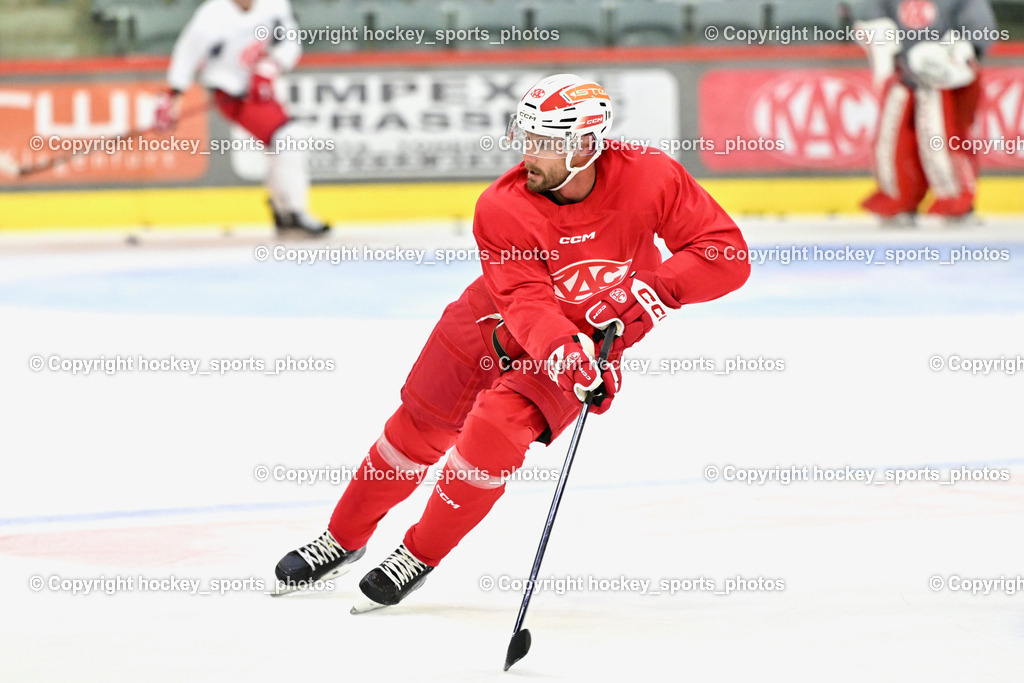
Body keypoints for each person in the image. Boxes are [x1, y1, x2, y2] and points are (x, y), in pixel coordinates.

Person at [274, 74, 750, 610]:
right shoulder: (502, 206)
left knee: (494, 434)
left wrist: (650, 294)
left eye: (543, 142)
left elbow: (725, 253)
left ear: (585, 146)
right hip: (490, 324)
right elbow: (525, 300)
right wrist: (564, 351)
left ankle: (418, 554)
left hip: (585, 345)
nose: (528, 154)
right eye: (526, 137)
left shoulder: (651, 176)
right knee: (415, 431)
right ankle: (341, 538)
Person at [155, 0, 329, 235]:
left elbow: (290, 41)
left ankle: (285, 210)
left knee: (282, 144)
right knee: (290, 138)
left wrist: (270, 66)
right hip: (231, 94)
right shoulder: (211, 16)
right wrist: (172, 96)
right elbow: (186, 55)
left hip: (259, 86)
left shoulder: (274, 4)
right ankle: (291, 211)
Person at [855, 0, 999, 225]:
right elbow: (875, 23)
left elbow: (979, 28)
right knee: (894, 144)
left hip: (945, 80)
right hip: (903, 76)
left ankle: (956, 202)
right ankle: (898, 203)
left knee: (944, 140)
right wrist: (882, 47)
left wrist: (964, 50)